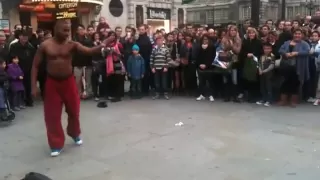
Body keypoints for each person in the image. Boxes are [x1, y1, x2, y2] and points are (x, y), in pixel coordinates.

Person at [31, 19, 113, 157]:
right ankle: (56, 144)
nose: (67, 33)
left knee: (74, 111)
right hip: (52, 83)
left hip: (69, 82)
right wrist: (33, 86)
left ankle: (74, 133)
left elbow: (90, 51)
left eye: (69, 30)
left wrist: (105, 42)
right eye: (64, 30)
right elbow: (35, 66)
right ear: (56, 28)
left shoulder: (72, 45)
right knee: (52, 115)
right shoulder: (45, 45)